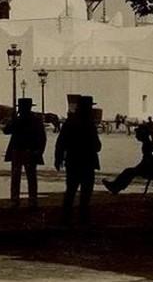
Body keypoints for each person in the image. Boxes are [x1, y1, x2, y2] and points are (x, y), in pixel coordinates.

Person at [54, 96, 102, 224]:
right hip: (88, 161)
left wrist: (58, 158)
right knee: (86, 191)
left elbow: (60, 143)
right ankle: (83, 217)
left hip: (72, 160)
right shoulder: (89, 124)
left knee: (71, 190)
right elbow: (97, 146)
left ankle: (66, 217)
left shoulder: (69, 123)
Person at [3, 97, 47, 209]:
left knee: (16, 177)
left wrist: (11, 119)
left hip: (18, 150)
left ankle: (15, 199)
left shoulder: (18, 119)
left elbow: (6, 130)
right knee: (31, 177)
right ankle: (32, 200)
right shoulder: (36, 120)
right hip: (30, 151)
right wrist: (39, 151)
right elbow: (42, 137)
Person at [102, 124, 153, 194]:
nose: (136, 136)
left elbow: (148, 161)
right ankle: (116, 187)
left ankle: (115, 187)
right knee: (129, 171)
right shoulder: (147, 144)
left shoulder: (147, 145)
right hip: (148, 168)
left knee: (129, 172)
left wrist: (138, 168)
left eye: (138, 133)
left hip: (149, 169)